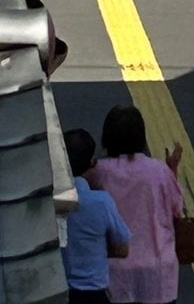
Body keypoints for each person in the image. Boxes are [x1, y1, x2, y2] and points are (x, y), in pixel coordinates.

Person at [89, 105, 185, 304]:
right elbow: (177, 209)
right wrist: (172, 170)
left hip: (115, 272)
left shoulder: (98, 173)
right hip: (158, 273)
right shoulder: (159, 171)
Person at [62, 128, 131, 304]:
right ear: (92, 163)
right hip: (94, 294)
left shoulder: (47, 200)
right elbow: (123, 248)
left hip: (59, 292)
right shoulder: (101, 202)